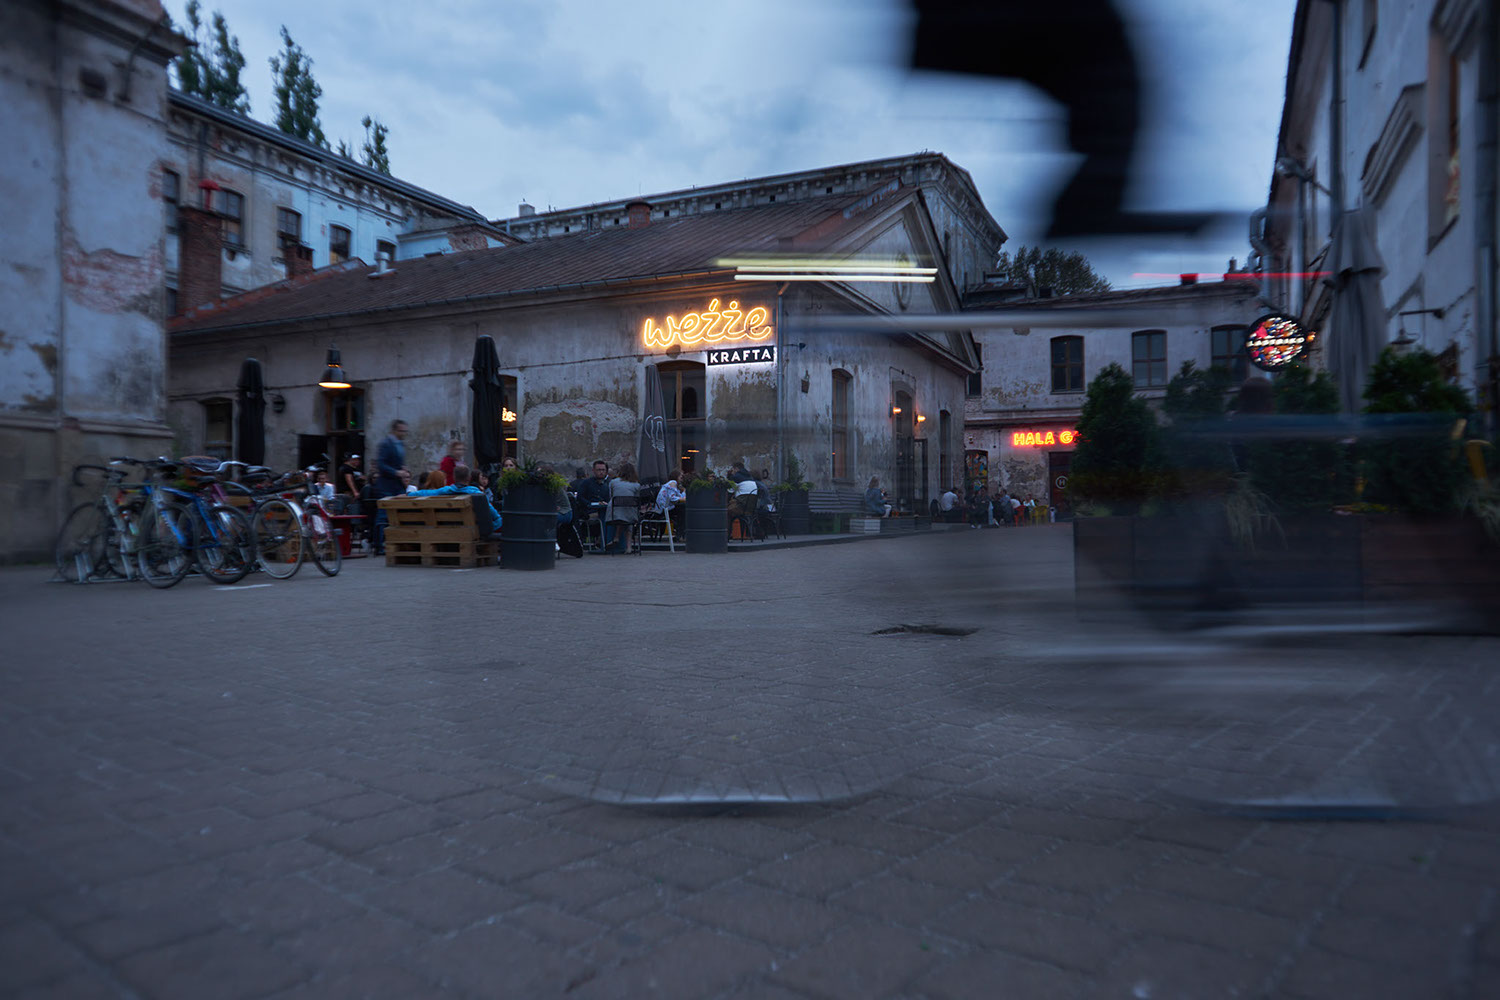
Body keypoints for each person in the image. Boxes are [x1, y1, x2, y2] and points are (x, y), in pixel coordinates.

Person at [408, 464, 502, 536]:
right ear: (469, 478)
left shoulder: (443, 491)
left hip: (448, 530)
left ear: (454, 477)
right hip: (472, 532)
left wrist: (410, 494)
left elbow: (426, 493)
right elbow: (494, 515)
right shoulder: (478, 494)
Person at [371, 419, 409, 554]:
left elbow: (396, 463)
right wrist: (396, 472)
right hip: (386, 485)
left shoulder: (401, 444)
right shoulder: (386, 444)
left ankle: (398, 543)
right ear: (394, 430)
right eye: (401, 431)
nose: (404, 433)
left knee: (401, 513)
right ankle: (378, 545)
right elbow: (381, 464)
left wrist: (402, 469)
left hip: (397, 485)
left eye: (405, 431)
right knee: (382, 515)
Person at [606, 461, 642, 552]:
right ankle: (629, 547)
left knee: (621, 515)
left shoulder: (613, 482)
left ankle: (616, 537)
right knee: (627, 519)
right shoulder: (636, 485)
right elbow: (636, 499)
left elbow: (611, 496)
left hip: (614, 513)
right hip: (630, 513)